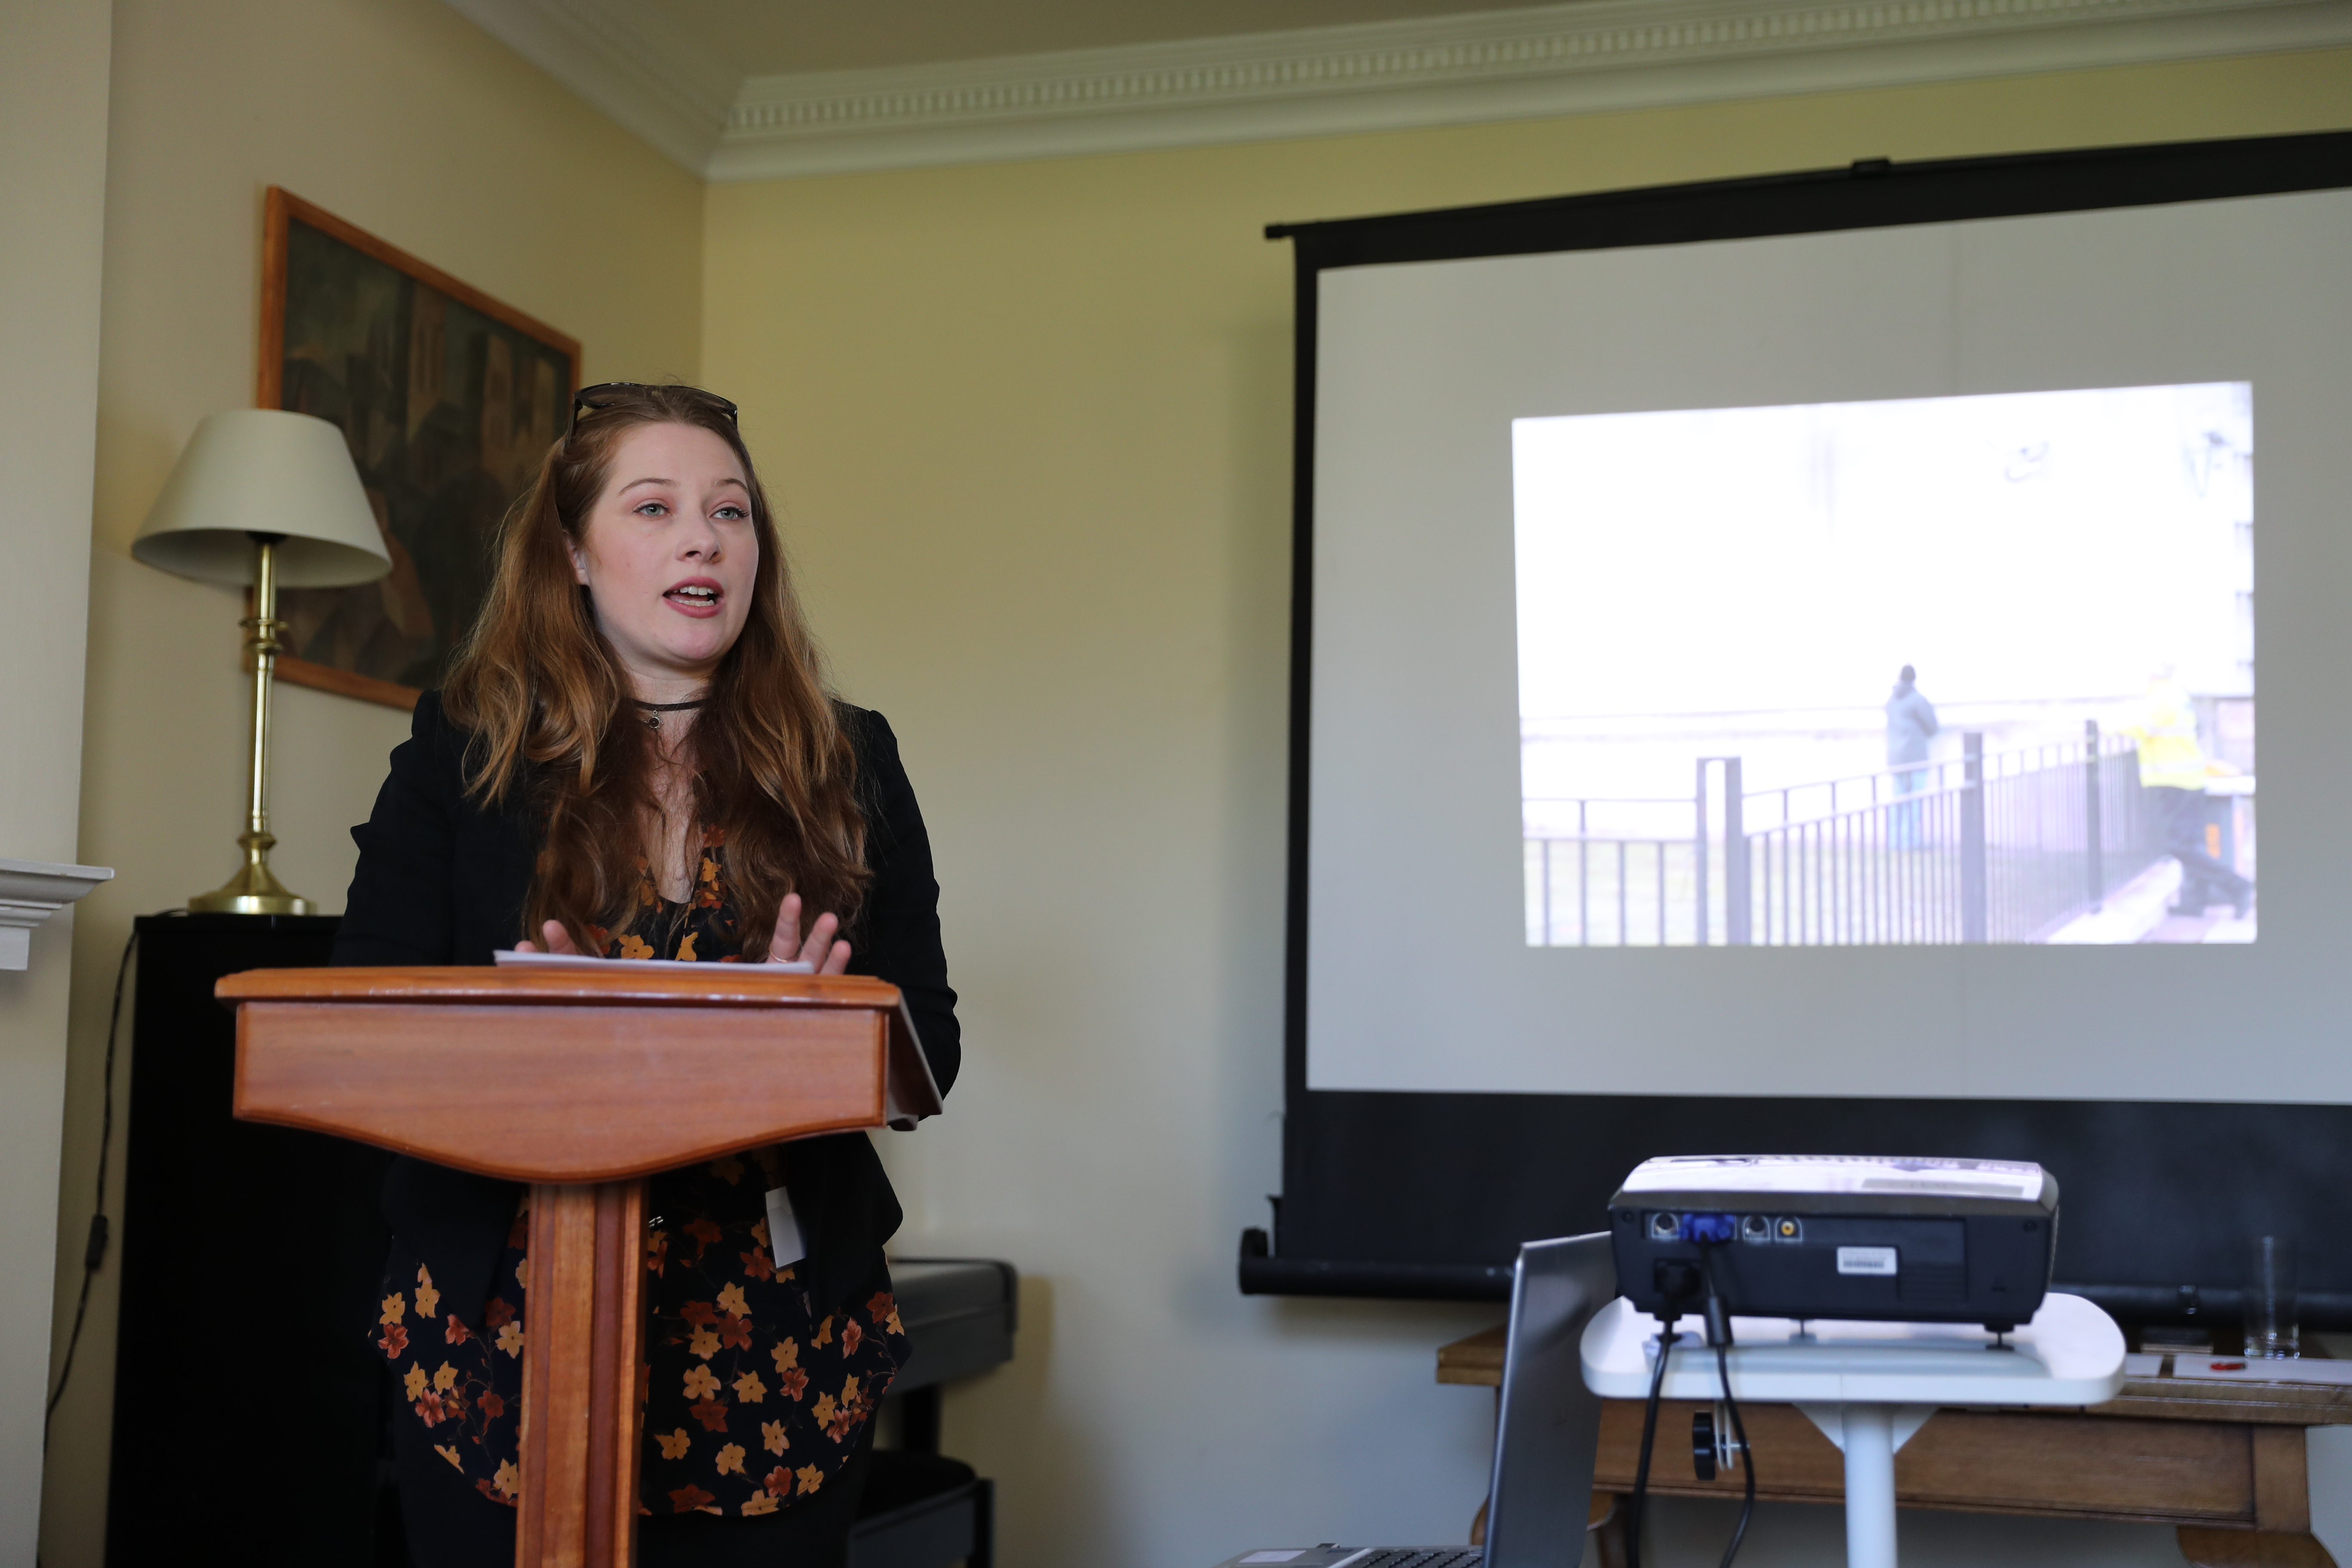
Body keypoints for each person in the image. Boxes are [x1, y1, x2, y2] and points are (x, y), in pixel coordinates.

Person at [333, 382, 959, 1567]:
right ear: (573, 550)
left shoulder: (852, 758)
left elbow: (930, 1052)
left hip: (776, 1342)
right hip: (500, 1331)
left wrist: (818, 1043)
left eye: (731, 512)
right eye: (656, 506)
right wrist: (520, 1038)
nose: (702, 538)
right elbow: (366, 1014)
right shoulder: (463, 751)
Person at [2125, 663, 2252, 917]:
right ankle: (2195, 903)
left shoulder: (2161, 697)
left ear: (2151, 674)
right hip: (2189, 778)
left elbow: (2139, 727)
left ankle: (2237, 886)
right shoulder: (2178, 695)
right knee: (2192, 844)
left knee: (2178, 845)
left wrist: (2106, 727)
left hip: (2175, 781)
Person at [1885, 665, 1938, 849]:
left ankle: (1894, 840)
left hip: (1896, 759)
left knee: (1897, 801)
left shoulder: (1891, 701)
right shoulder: (1918, 700)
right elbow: (1933, 727)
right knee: (1914, 802)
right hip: (1916, 758)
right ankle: (1911, 841)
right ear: (1914, 679)